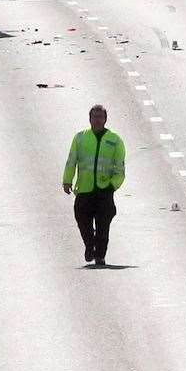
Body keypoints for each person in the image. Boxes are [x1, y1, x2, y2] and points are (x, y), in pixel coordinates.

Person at [62, 104, 126, 267]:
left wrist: (113, 186)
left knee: (103, 224)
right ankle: (90, 245)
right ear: (89, 119)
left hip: (105, 190)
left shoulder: (115, 140)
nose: (97, 120)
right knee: (82, 219)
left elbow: (120, 168)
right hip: (84, 189)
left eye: (100, 117)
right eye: (94, 117)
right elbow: (71, 161)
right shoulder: (80, 138)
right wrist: (67, 180)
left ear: (105, 119)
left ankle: (100, 255)